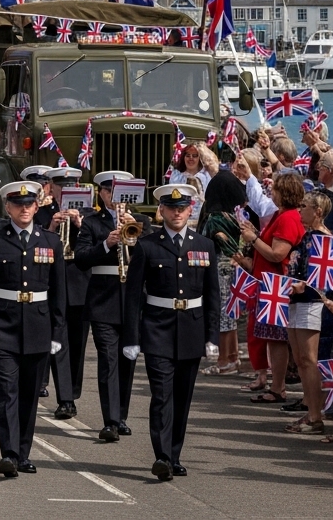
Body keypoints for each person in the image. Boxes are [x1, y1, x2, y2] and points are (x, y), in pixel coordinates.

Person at [0, 180, 66, 477]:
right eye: (17, 205)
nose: (24, 209)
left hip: (38, 325)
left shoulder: (51, 242)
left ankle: (23, 453)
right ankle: (9, 453)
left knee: (28, 395)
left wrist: (57, 334)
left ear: (37, 207)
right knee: (8, 392)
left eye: (29, 204)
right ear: (7, 207)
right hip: (2, 325)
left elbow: (59, 292)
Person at [122, 183, 220, 480]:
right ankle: (162, 456)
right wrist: (132, 337)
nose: (177, 213)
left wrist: (212, 337)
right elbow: (134, 296)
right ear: (161, 210)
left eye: (182, 208)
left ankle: (175, 454)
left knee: (182, 397)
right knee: (162, 396)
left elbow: (212, 295)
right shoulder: (148, 245)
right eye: (171, 208)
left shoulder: (204, 245)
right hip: (158, 330)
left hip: (191, 329)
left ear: (191, 210)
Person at [74, 170, 149, 442]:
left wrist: (136, 235)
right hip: (103, 300)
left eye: (118, 192)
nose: (113, 197)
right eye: (108, 191)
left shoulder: (141, 222)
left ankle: (123, 415)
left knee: (128, 359)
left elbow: (152, 259)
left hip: (132, 299)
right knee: (108, 360)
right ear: (102, 193)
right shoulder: (92, 223)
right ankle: (110, 421)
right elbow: (81, 259)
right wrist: (106, 244)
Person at [233, 171, 304, 403]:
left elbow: (277, 254)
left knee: (276, 339)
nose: (270, 193)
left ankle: (278, 387)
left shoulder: (288, 218)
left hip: (276, 286)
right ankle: (276, 386)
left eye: (274, 190)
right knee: (273, 339)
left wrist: (253, 238)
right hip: (268, 284)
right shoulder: (280, 215)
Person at [36, 165, 86, 419]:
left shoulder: (89, 215)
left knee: (77, 345)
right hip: (51, 285)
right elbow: (33, 247)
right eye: (59, 186)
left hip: (78, 286)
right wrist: (51, 229)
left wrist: (80, 224)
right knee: (58, 341)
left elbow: (96, 248)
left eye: (70, 186)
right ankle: (65, 399)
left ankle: (72, 392)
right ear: (52, 188)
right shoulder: (42, 214)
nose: (65, 190)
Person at [284, 190, 332, 434]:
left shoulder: (324, 239)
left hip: (311, 302)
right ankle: (311, 409)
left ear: (318, 211)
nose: (300, 209)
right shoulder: (306, 236)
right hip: (295, 300)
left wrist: (305, 285)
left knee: (309, 360)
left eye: (305, 206)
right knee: (301, 360)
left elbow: (324, 278)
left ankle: (316, 416)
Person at [198, 169, 247, 377]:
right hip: (232, 268)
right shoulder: (233, 214)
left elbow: (214, 243)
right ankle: (233, 356)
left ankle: (224, 359)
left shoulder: (216, 217)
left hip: (219, 267)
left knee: (223, 314)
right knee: (231, 314)